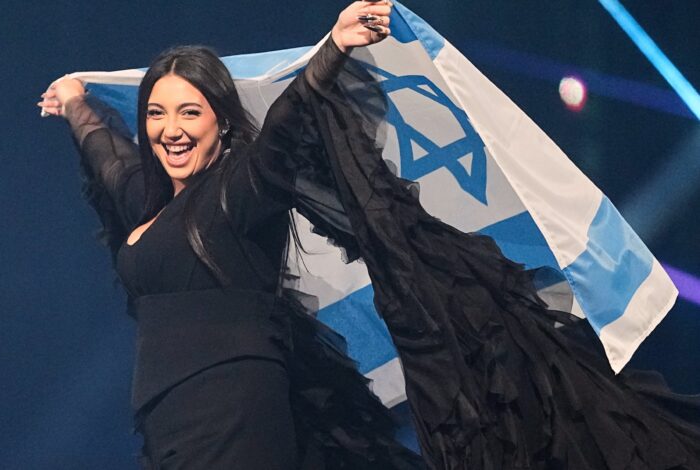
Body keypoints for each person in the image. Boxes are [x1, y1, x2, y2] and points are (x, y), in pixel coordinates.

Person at [40, 1, 700, 469]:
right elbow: (110, 159)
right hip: (166, 417)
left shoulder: (238, 192)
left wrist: (335, 46)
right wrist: (74, 103)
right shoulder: (149, 208)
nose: (171, 128)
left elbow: (287, 126)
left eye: (190, 111)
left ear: (222, 122)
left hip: (234, 412)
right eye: (156, 113)